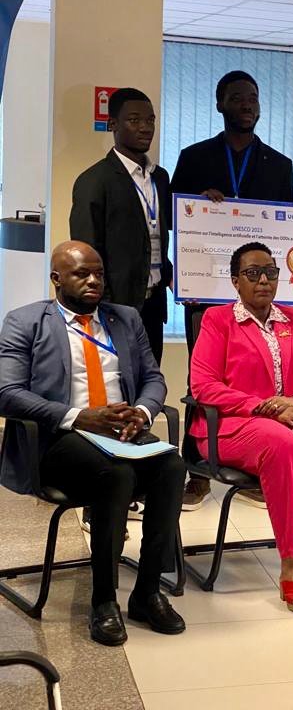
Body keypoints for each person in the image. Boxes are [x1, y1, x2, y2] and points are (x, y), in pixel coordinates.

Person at [0, 241, 185, 645]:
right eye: (82, 273)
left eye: (99, 273)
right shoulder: (25, 321)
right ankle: (104, 600)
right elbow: (7, 392)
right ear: (56, 278)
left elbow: (153, 378)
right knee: (116, 474)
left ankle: (147, 592)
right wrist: (78, 416)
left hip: (123, 432)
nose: (94, 281)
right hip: (61, 438)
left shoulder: (126, 318)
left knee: (173, 467)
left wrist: (142, 412)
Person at [188, 242, 293, 613]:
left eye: (270, 273)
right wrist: (265, 407)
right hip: (234, 424)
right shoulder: (217, 320)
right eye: (252, 273)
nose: (263, 281)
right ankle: (291, 562)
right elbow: (203, 386)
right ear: (235, 281)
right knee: (281, 443)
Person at [171, 70, 293, 511]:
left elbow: (286, 230)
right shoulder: (194, 157)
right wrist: (198, 204)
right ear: (220, 104)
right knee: (202, 383)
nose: (247, 105)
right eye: (238, 97)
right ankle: (197, 472)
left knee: (264, 377)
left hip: (260, 295)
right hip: (207, 293)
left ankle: (258, 469)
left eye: (253, 98)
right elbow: (179, 221)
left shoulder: (279, 164)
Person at [70, 88, 172, 365]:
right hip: (114, 306)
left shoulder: (160, 178)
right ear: (113, 124)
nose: (145, 128)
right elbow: (86, 251)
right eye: (134, 120)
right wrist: (102, 304)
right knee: (116, 380)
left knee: (150, 378)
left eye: (150, 120)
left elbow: (157, 239)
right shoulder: (95, 180)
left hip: (153, 304)